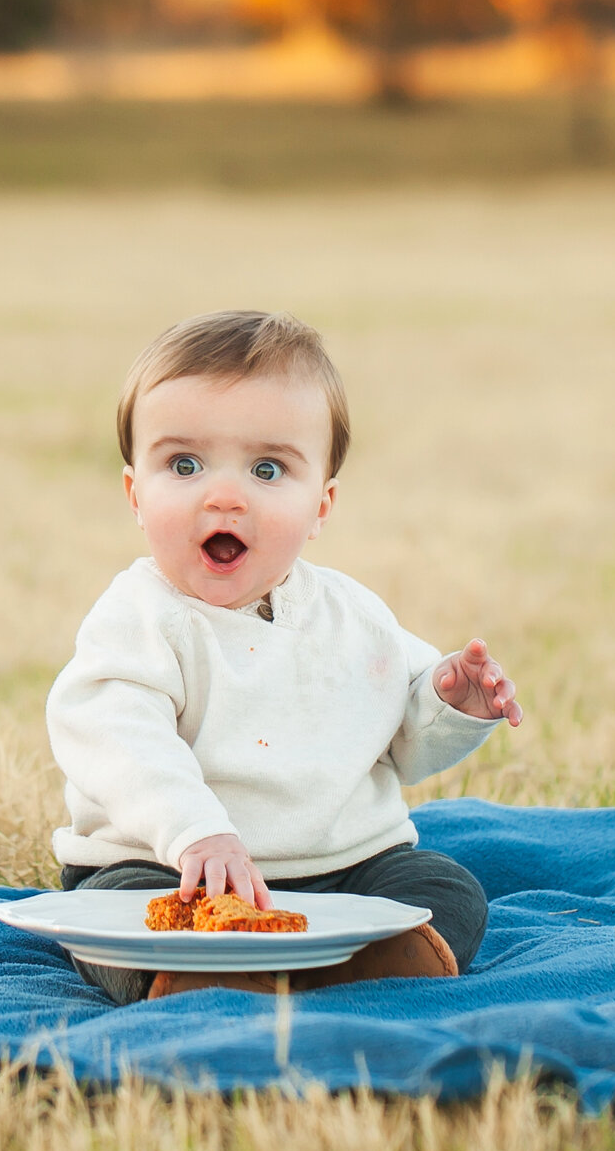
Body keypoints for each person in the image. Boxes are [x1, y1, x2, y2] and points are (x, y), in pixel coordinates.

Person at [47, 309, 522, 1002]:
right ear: (135, 495)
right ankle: (187, 974)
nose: (225, 494)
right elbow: (116, 739)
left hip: (341, 869)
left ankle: (372, 961)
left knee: (446, 888)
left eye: (268, 468)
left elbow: (404, 743)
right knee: (110, 913)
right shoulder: (138, 618)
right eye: (184, 464)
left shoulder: (351, 615)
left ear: (321, 505)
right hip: (167, 866)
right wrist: (195, 832)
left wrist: (447, 704)